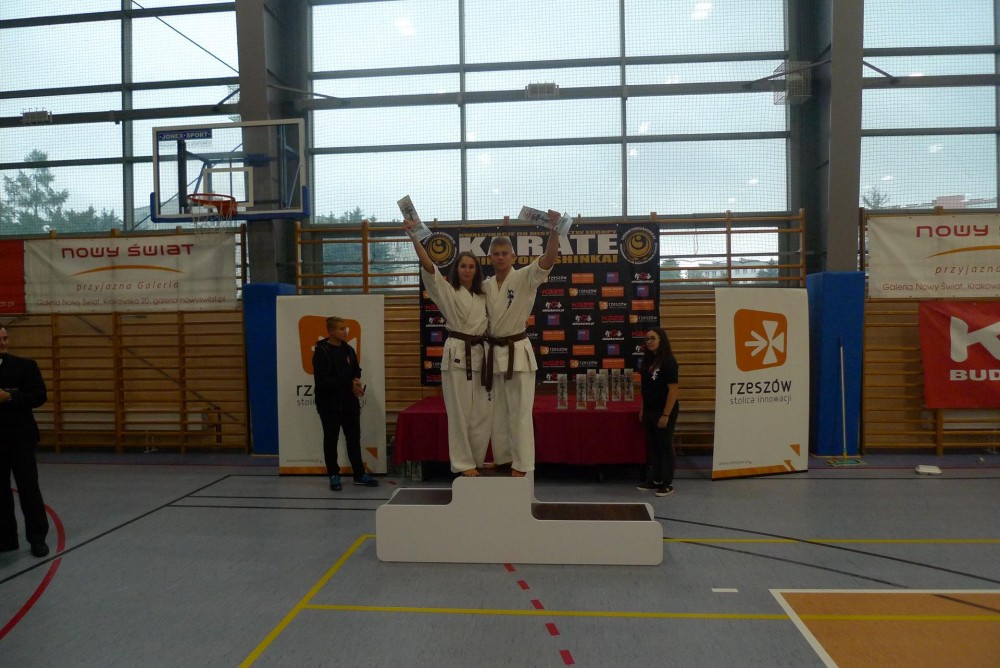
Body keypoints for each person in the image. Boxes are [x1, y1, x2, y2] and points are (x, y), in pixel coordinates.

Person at [406, 222, 491, 476]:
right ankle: (463, 463)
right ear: (457, 269)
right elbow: (430, 269)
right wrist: (414, 238)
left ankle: (476, 458)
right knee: (459, 413)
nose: (467, 270)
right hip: (457, 354)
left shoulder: (483, 295)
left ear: (477, 270)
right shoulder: (447, 291)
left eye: (471, 266)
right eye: (463, 266)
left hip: (481, 355)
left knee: (482, 413)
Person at [484, 227, 561, 476]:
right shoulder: (485, 286)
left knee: (520, 412)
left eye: (505, 253)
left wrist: (554, 233)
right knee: (497, 412)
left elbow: (548, 259)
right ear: (490, 257)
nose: (500, 257)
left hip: (517, 351)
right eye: (496, 253)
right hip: (494, 353)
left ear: (513, 256)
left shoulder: (525, 276)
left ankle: (523, 463)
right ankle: (503, 457)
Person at [0, 325, 51, 558]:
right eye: (0, 339)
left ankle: (37, 539)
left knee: (29, 490)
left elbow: (39, 395)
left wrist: (10, 397)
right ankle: (6, 539)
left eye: (5, 338)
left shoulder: (25, 366)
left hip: (21, 439)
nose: (3, 343)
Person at [312, 316, 378, 491]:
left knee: (354, 438)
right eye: (341, 328)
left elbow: (356, 369)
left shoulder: (348, 349)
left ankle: (359, 474)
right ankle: (334, 475)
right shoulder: (321, 351)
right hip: (329, 404)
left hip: (349, 403)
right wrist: (349, 384)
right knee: (331, 439)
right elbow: (324, 381)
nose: (345, 331)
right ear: (331, 331)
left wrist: (355, 379)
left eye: (346, 328)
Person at [636, 326, 679, 497]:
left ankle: (667, 483)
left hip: (664, 411)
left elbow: (673, 390)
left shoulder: (669, 361)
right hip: (649, 410)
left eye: (653, 338)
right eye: (647, 339)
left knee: (664, 446)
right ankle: (656, 479)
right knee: (653, 446)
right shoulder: (647, 361)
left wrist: (666, 414)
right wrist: (643, 409)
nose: (649, 341)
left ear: (662, 340)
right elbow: (645, 389)